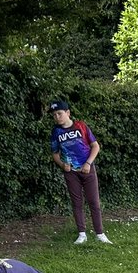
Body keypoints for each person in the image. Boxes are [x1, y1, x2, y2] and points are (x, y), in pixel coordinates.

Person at [49, 100, 112, 246]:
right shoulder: (56, 132)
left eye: (59, 113)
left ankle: (100, 233)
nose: (57, 117)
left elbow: (95, 146)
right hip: (71, 173)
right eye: (54, 115)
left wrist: (88, 163)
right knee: (77, 202)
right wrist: (62, 164)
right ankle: (82, 234)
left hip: (87, 169)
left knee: (94, 202)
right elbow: (55, 153)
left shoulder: (81, 126)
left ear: (68, 113)